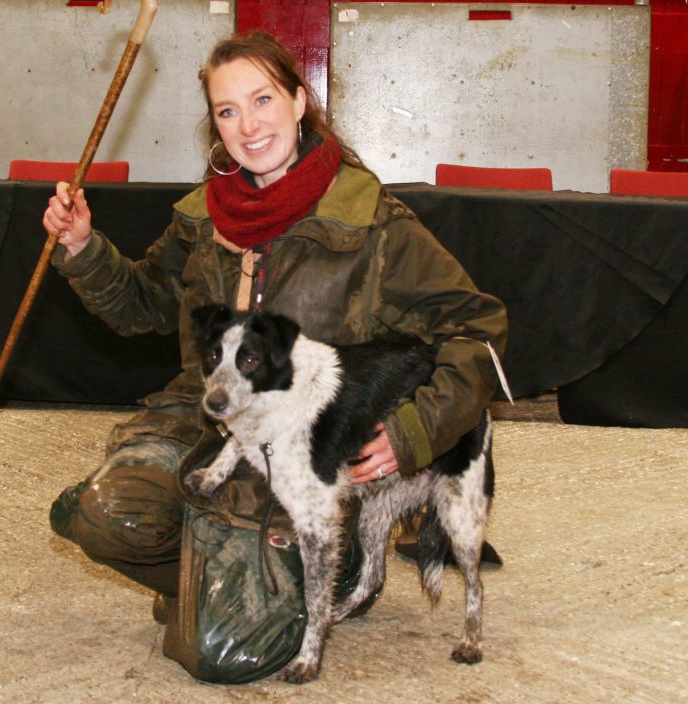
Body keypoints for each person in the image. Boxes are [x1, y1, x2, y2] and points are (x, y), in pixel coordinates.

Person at [44, 30, 507, 618]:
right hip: (205, 424)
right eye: (228, 111)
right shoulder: (202, 217)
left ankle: (324, 574)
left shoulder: (373, 224)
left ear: (298, 100)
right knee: (108, 514)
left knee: (223, 657)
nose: (249, 126)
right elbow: (143, 306)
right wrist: (83, 247)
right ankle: (217, 582)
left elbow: (478, 330)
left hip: (308, 449)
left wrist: (416, 431)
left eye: (263, 100)